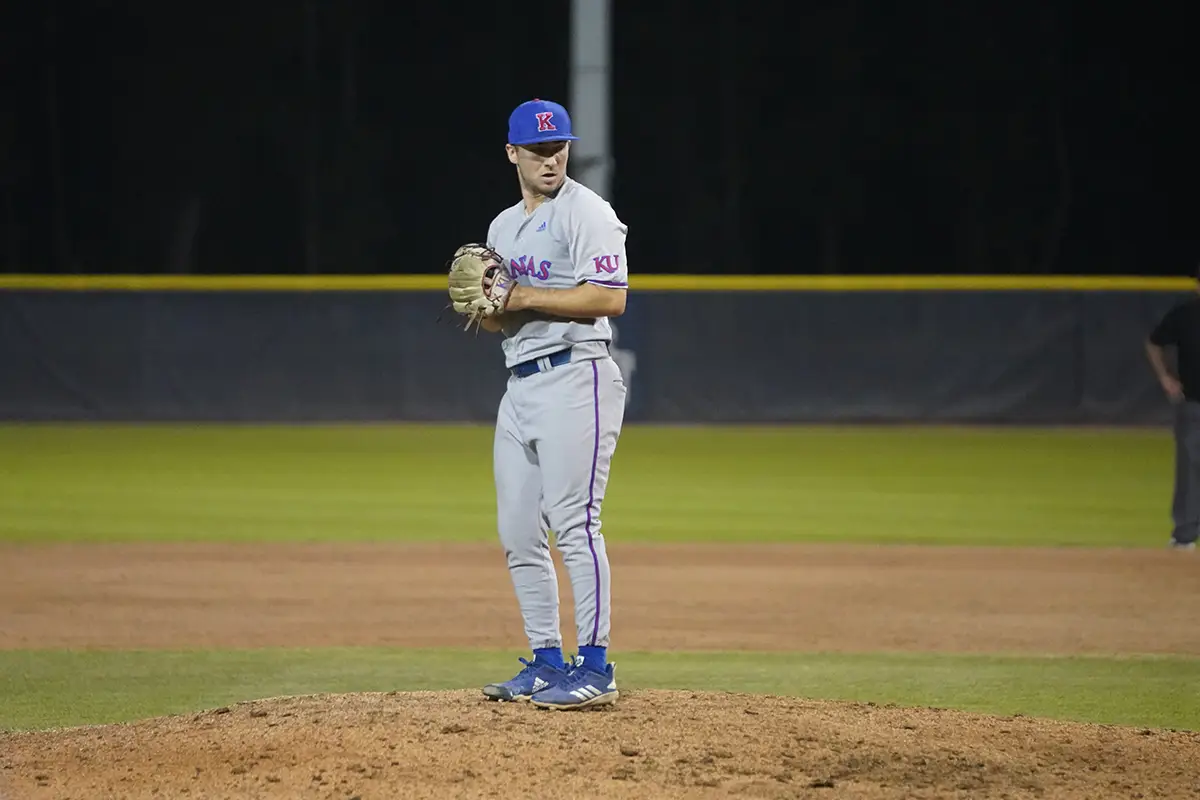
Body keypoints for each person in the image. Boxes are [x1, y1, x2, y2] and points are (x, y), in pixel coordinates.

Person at [475, 98, 630, 708]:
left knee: (575, 526)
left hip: (577, 378)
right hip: (519, 385)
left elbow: (610, 297)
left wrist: (519, 296)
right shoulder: (501, 227)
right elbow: (498, 319)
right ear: (512, 152)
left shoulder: (588, 212)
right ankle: (545, 660)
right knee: (517, 531)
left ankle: (595, 666)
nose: (551, 158)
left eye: (559, 146)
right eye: (538, 149)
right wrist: (485, 305)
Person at [1145, 271, 1200, 551]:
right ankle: (1185, 536)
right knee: (1189, 471)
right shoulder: (1185, 314)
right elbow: (1154, 343)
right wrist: (1165, 377)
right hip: (1192, 403)